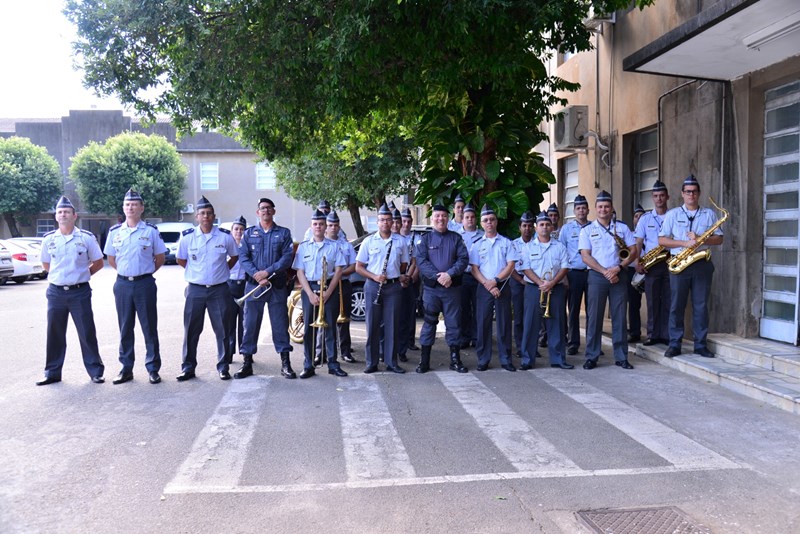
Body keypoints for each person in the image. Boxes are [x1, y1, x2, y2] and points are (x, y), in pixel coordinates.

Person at [36, 196, 106, 386]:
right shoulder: (48, 239)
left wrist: (81, 275)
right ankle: (52, 372)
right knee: (54, 333)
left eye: (66, 211)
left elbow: (98, 262)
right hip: (56, 293)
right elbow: (46, 264)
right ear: (56, 216)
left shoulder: (86, 237)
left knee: (86, 332)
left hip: (79, 292)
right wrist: (61, 278)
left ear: (74, 216)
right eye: (59, 212)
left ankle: (96, 372)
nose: (63, 214)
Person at [103, 188, 168, 385]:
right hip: (122, 284)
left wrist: (143, 272)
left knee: (149, 327)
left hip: (144, 284)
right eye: (127, 205)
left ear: (141, 208)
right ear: (123, 208)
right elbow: (111, 259)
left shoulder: (150, 231)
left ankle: (153, 368)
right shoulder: (115, 232)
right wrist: (127, 272)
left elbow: (160, 258)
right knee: (125, 328)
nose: (130, 207)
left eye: (134, 204)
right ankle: (126, 368)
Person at [659, 175, 723, 358]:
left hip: (701, 263)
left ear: (699, 193)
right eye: (688, 192)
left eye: (694, 192)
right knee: (676, 306)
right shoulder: (672, 215)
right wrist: (684, 243)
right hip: (680, 263)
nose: (691, 195)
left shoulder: (709, 214)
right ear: (682, 194)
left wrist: (701, 238)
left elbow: (719, 238)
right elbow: (662, 239)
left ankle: (700, 345)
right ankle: (674, 344)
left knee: (701, 306)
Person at [176, 196, 239, 381]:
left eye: (209, 213)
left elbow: (234, 257)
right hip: (195, 290)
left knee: (223, 330)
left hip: (219, 290)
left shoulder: (225, 237)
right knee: (191, 330)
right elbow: (181, 260)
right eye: (202, 213)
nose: (206, 216)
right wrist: (196, 274)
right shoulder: (187, 238)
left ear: (214, 216)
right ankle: (188, 367)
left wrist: (222, 271)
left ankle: (223, 366)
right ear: (197, 216)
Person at [237, 197, 296, 379]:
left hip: (276, 286)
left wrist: (267, 272)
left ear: (274, 211)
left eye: (269, 208)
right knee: (250, 324)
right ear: (258, 212)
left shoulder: (284, 233)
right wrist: (257, 275)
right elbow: (243, 257)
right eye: (262, 208)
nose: (266, 211)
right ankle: (247, 363)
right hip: (255, 286)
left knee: (280, 325)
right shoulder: (249, 234)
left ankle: (285, 363)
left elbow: (287, 258)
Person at [579, 190, 638, 370]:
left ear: (612, 208)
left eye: (606, 206)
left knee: (619, 317)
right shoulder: (588, 230)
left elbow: (633, 250)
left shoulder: (622, 228)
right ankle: (592, 356)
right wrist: (605, 271)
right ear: (595, 209)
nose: (603, 209)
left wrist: (618, 268)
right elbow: (585, 256)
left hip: (619, 274)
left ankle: (621, 357)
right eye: (600, 207)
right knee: (594, 317)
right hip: (597, 276)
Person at [293, 209, 348, 378]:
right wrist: (309, 294)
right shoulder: (303, 247)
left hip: (328, 291)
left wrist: (329, 292)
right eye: (315, 224)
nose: (318, 227)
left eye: (321, 224)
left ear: (325, 226)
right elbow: (300, 272)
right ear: (311, 226)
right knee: (309, 330)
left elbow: (339, 271)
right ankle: (308, 365)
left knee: (330, 328)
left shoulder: (334, 246)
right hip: (309, 290)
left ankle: (333, 363)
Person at [415, 204, 470, 373]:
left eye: (443, 216)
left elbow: (463, 259)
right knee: (429, 323)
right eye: (437, 216)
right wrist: (439, 277)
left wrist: (450, 275)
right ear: (432, 219)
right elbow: (421, 262)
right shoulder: (425, 240)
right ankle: (424, 361)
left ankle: (455, 360)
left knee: (453, 324)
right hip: (432, 290)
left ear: (448, 218)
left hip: (452, 289)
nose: (440, 219)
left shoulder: (456, 238)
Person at [355, 204, 410, 373]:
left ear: (392, 221)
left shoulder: (400, 241)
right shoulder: (368, 241)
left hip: (393, 287)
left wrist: (392, 276)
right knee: (373, 324)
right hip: (373, 286)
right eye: (381, 220)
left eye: (388, 219)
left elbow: (403, 264)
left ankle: (391, 362)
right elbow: (359, 267)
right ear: (377, 222)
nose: (385, 222)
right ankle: (371, 362)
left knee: (392, 325)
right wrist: (374, 276)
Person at [520, 211, 571, 370]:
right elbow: (525, 268)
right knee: (530, 325)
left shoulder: (560, 246)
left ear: (551, 228)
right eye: (541, 224)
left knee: (557, 324)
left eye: (547, 224)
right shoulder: (528, 247)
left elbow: (564, 267)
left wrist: (552, 282)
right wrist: (541, 283)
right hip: (534, 289)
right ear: (536, 228)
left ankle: (558, 359)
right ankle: (527, 360)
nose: (544, 227)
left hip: (555, 288)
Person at [469, 205, 517, 372]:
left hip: (502, 286)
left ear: (496, 221)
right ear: (481, 224)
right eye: (485, 220)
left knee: (504, 324)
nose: (489, 222)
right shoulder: (476, 245)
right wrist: (488, 285)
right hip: (484, 288)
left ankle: (506, 359)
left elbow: (511, 265)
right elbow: (474, 269)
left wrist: (495, 281)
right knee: (483, 324)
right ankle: (483, 359)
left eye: (492, 219)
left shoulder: (506, 243)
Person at [635, 180, 671, 346]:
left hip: (671, 261)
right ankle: (652, 334)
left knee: (669, 299)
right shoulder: (645, 219)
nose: (659, 199)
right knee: (652, 300)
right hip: (651, 263)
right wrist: (637, 261)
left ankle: (666, 334)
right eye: (656, 196)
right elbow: (638, 242)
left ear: (667, 197)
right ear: (652, 198)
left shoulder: (674, 216)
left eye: (662, 195)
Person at [559, 194, 590, 356]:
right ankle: (573, 342)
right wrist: (564, 276)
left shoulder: (594, 227)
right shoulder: (566, 229)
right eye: (578, 208)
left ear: (588, 210)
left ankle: (593, 342)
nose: (581, 211)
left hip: (591, 273)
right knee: (574, 309)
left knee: (592, 310)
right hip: (574, 274)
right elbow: (562, 253)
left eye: (584, 208)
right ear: (574, 210)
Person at [325, 210, 357, 363]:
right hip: (326, 284)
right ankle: (323, 353)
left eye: (336, 225)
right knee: (326, 319)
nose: (333, 228)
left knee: (344, 319)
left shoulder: (346, 245)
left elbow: (354, 266)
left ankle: (345, 351)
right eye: (330, 225)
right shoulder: (321, 244)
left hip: (343, 284)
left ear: (339, 227)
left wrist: (339, 272)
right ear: (326, 226)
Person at [456, 203, 484, 349]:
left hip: (479, 276)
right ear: (463, 219)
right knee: (463, 308)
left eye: (472, 217)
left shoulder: (482, 235)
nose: (470, 220)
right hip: (463, 276)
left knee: (478, 308)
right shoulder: (457, 236)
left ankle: (476, 337)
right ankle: (464, 337)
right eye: (467, 217)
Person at [509, 212, 534, 358]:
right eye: (524, 226)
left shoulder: (538, 243)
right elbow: (509, 266)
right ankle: (520, 346)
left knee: (532, 316)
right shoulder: (513, 244)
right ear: (520, 227)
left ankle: (531, 346)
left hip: (534, 283)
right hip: (517, 282)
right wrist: (520, 280)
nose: (527, 229)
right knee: (519, 316)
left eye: (530, 226)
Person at [397, 208, 421, 361]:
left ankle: (409, 342)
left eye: (408, 221)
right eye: (403, 221)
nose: (405, 224)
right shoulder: (395, 238)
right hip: (396, 281)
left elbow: (417, 261)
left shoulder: (417, 238)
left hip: (411, 280)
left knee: (410, 313)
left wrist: (410, 278)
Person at [226, 215, 248, 359]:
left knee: (246, 322)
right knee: (228, 321)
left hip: (245, 286)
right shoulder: (226, 247)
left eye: (241, 229)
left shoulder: (248, 248)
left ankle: (246, 352)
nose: (239, 232)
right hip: (230, 286)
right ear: (231, 231)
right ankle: (228, 353)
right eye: (236, 229)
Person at [627, 204, 646, 343]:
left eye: (641, 216)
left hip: (651, 269)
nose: (639, 218)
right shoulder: (630, 236)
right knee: (634, 303)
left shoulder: (653, 233)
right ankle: (634, 332)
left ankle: (654, 332)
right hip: (634, 271)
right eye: (636, 216)